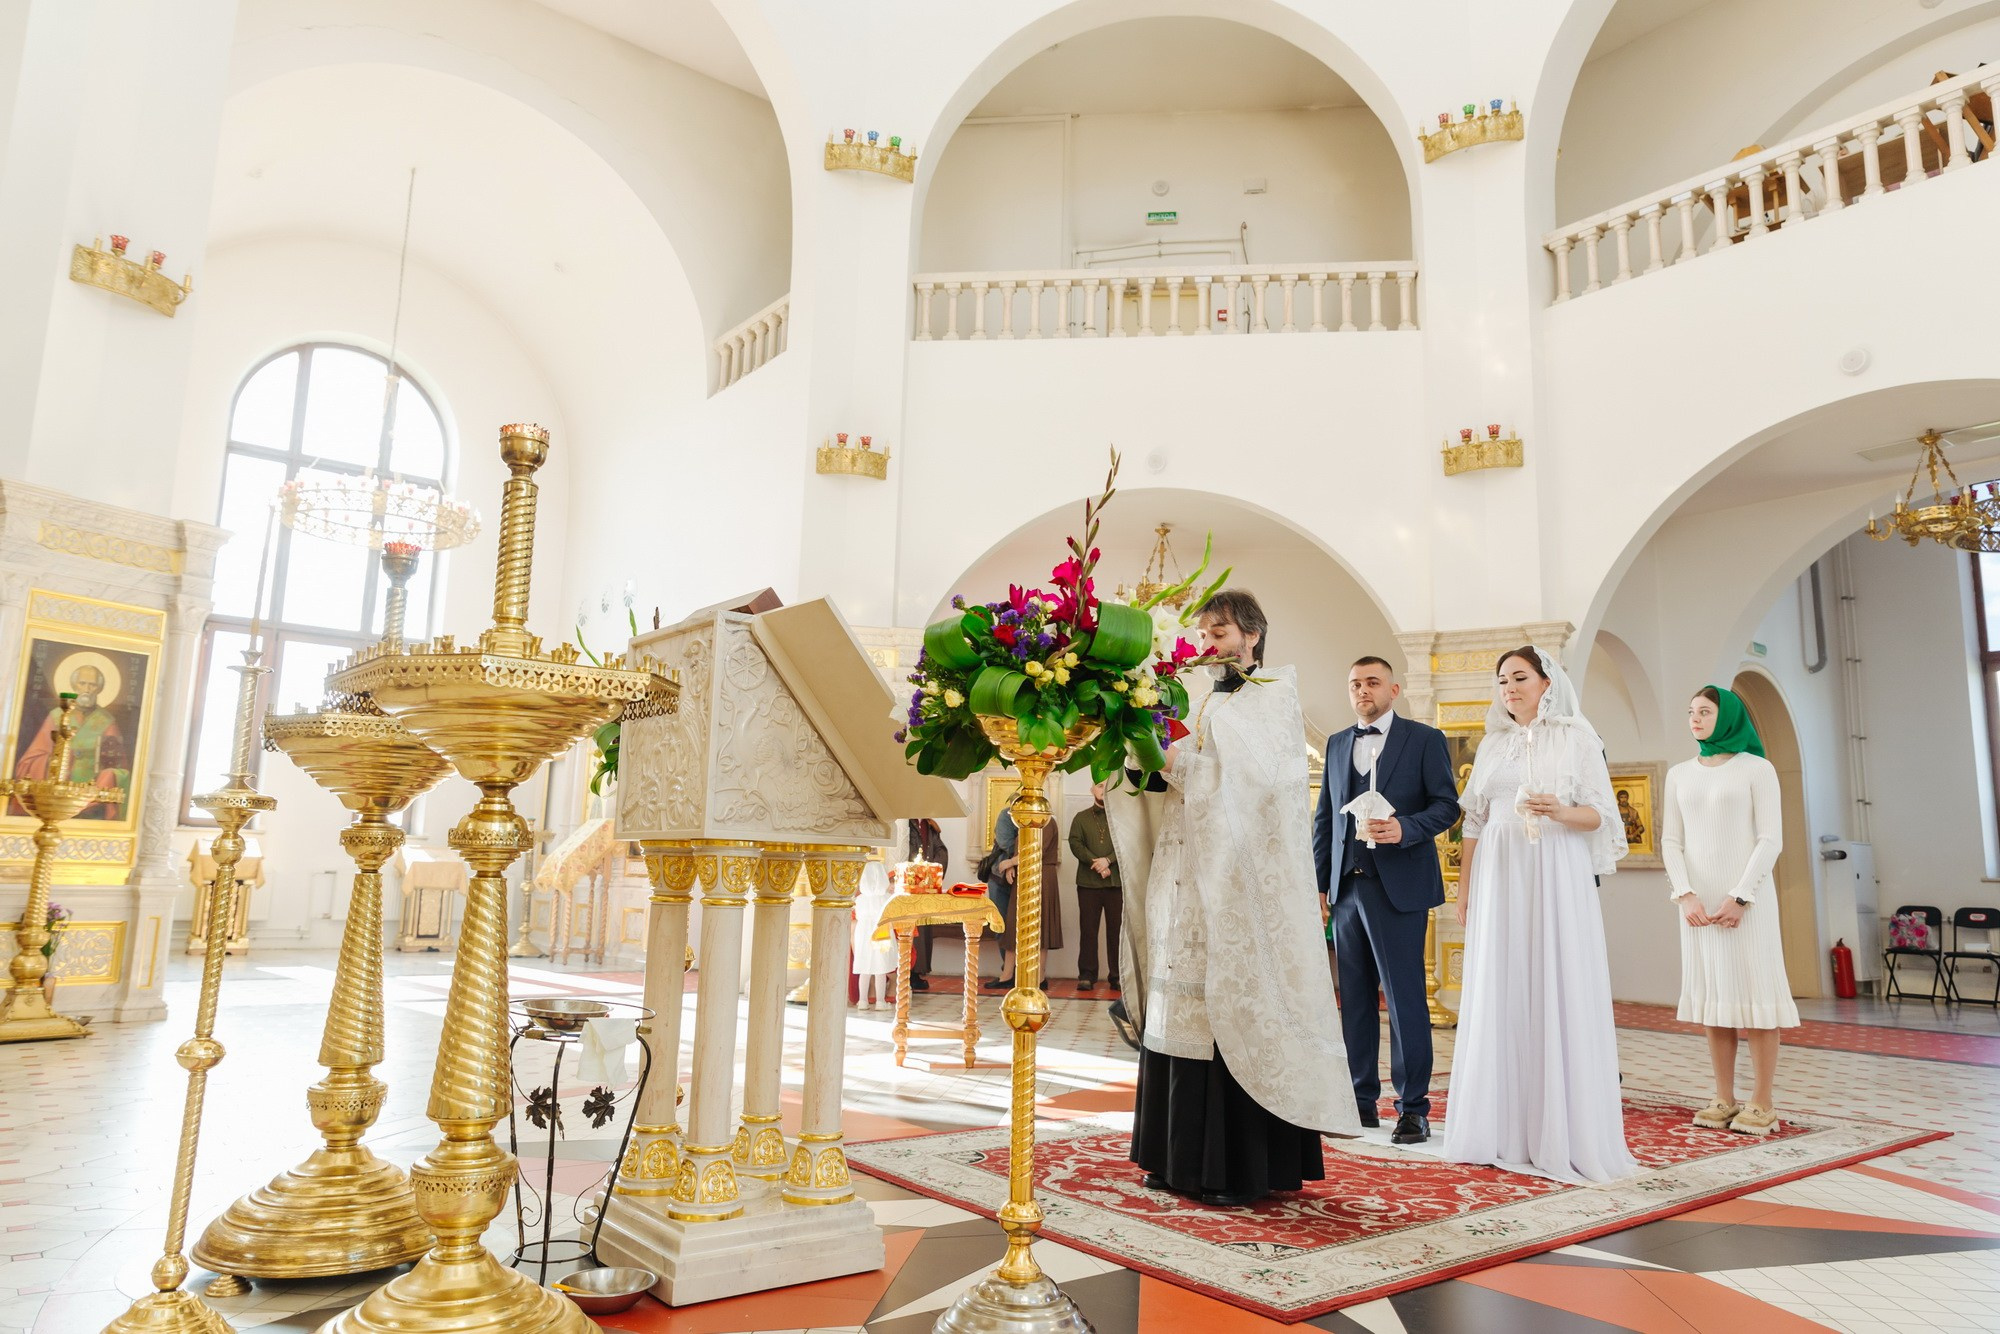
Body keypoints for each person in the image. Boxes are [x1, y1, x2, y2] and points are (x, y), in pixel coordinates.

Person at [1124, 590, 1359, 1207]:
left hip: (1235, 884)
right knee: (1178, 1009)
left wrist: (1175, 761)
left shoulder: (1273, 697)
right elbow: (1179, 777)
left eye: (1220, 632)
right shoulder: (1202, 699)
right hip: (1184, 873)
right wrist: (1146, 755)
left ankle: (1227, 1169)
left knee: (1227, 1008)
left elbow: (1257, 787)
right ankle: (1170, 1155)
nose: (1209, 644)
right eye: (1204, 633)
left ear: (1252, 635)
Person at [1441, 646, 1637, 1183]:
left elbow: (1601, 816)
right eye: (1502, 680)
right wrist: (1465, 889)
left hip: (1554, 869)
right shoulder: (1492, 744)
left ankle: (1561, 1130)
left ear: (1547, 683)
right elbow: (1474, 822)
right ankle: (1499, 1129)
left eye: (1520, 677)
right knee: (1502, 985)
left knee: (1555, 980)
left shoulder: (1577, 739)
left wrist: (1560, 810)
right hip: (1500, 874)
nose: (1509, 688)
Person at [1312, 656, 1460, 1145]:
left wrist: (1405, 828)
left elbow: (1447, 806)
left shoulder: (1424, 739)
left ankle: (1412, 1108)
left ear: (1393, 690)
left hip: (1399, 889)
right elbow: (1325, 818)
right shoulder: (1337, 743)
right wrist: (1319, 884)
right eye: (1355, 684)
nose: (1363, 691)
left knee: (1404, 1000)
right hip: (1346, 889)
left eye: (1372, 682)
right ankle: (1359, 1100)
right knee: (1353, 1000)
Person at [1666, 686, 1799, 1136]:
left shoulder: (1756, 768)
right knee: (1715, 1000)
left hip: (1747, 904)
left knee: (1758, 999)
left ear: (1727, 716)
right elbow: (1671, 841)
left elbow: (1770, 839)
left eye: (1705, 711)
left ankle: (1762, 1102)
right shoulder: (1680, 774)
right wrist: (1684, 894)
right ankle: (1724, 1096)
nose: (1695, 719)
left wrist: (1741, 896)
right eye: (1691, 711)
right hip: (1698, 906)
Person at [985, 798, 1064, 991]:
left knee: (1041, 927)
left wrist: (1009, 863)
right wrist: (1012, 865)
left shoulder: (1047, 822)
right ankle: (1007, 975)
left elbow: (1035, 850)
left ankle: (1039, 977)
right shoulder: (1026, 824)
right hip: (1024, 876)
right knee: (1013, 926)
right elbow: (1019, 849)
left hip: (1042, 877)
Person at [1067, 780, 1122, 991]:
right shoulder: (1080, 818)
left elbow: (1126, 843)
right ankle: (1087, 975)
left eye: (1107, 785)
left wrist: (1108, 861)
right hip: (1088, 884)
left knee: (1116, 931)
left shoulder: (1121, 817)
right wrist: (1096, 864)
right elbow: (1075, 844)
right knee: (1088, 930)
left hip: (1115, 883)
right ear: (1092, 790)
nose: (1103, 789)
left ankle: (1117, 976)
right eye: (1099, 785)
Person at [905, 817, 948, 991]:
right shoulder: (905, 823)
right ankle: (908, 971)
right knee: (911, 929)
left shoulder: (929, 825)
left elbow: (941, 850)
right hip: (909, 884)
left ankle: (918, 971)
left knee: (923, 929)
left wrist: (931, 871)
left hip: (927, 885)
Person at [850, 858, 897, 1010]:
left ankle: (862, 1001)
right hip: (881, 933)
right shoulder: (886, 898)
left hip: (862, 934)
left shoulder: (859, 899)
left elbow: (856, 916)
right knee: (880, 969)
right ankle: (880, 1002)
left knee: (864, 969)